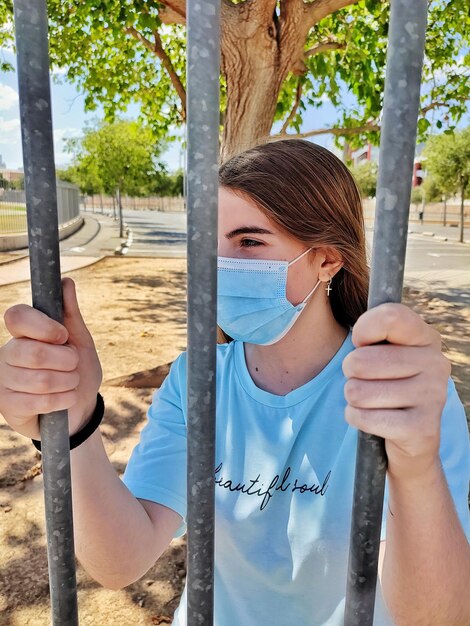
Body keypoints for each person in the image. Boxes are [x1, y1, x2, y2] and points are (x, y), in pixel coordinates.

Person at [0, 140, 469, 625]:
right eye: (209, 243)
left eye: (248, 242)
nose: (218, 267)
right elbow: (121, 561)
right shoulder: (197, 380)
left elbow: (439, 616)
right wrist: (74, 423)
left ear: (327, 259)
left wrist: (415, 468)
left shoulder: (402, 395)